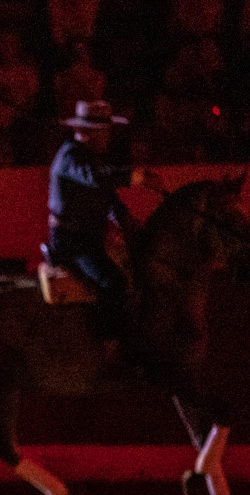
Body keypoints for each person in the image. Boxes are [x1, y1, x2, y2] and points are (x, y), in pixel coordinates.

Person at [48, 99, 162, 336]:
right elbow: (96, 179)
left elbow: (106, 195)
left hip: (86, 237)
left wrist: (124, 218)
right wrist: (138, 178)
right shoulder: (71, 156)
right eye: (103, 132)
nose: (108, 137)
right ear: (87, 132)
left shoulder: (88, 157)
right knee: (113, 283)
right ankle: (106, 343)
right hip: (73, 241)